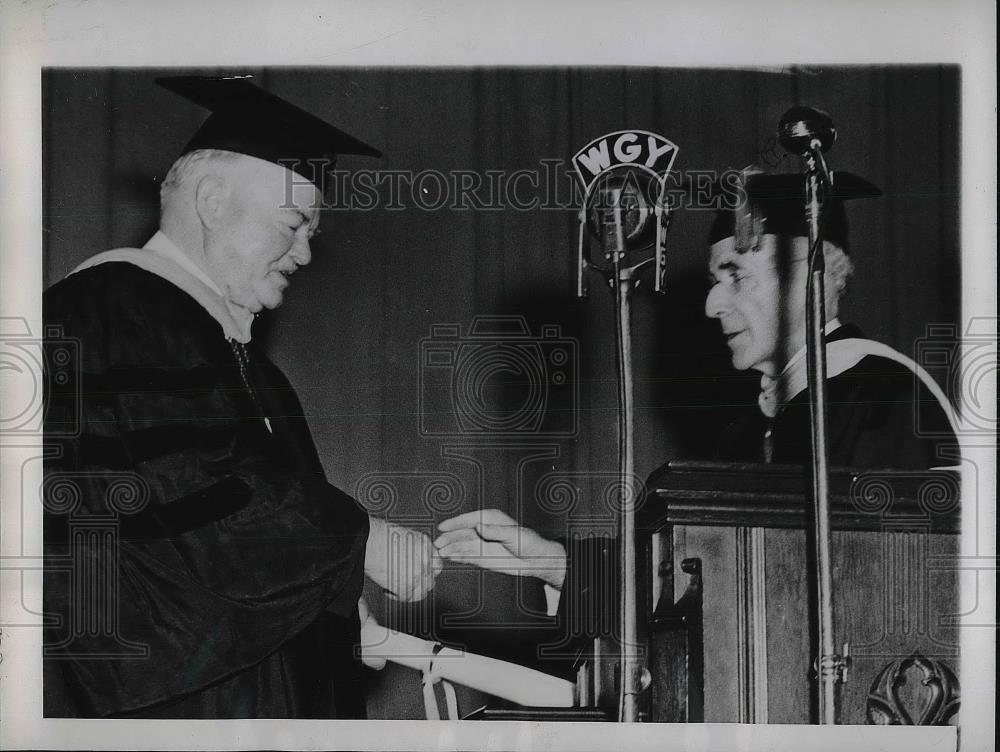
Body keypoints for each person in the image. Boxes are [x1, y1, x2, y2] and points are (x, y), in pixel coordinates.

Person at [42, 76, 438, 719]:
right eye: (292, 223)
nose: (305, 252)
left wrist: (331, 611)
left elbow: (235, 543)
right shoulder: (109, 313)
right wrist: (360, 540)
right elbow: (180, 493)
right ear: (213, 199)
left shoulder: (247, 364)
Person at [433, 168, 959, 635]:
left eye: (736, 276)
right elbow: (701, 587)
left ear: (808, 276)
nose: (711, 304)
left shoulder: (884, 400)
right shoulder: (747, 432)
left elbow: (891, 606)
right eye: (714, 281)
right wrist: (552, 564)